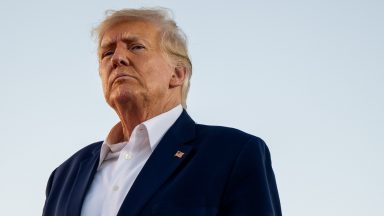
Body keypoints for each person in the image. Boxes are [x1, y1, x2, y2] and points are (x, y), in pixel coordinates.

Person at [42, 7, 282, 216]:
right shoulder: (64, 176)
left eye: (136, 47)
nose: (117, 58)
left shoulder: (233, 153)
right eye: (107, 53)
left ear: (178, 74)